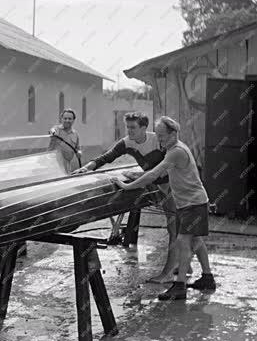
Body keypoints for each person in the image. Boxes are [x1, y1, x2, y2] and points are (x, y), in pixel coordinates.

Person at [112, 116, 215, 300]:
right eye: (158, 136)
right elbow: (158, 173)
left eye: (162, 136)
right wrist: (137, 174)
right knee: (196, 240)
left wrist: (126, 186)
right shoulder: (175, 149)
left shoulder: (176, 151)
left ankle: (179, 286)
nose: (159, 140)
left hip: (193, 203)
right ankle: (207, 278)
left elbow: (153, 175)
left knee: (183, 241)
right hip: (192, 202)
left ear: (173, 134)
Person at [73, 111, 181, 283]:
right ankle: (186, 266)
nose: (129, 131)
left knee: (176, 229)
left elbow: (170, 165)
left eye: (133, 127)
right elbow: (106, 157)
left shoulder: (158, 140)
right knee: (177, 228)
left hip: (175, 185)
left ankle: (173, 271)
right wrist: (87, 168)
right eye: (127, 127)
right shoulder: (127, 142)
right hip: (160, 185)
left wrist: (139, 176)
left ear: (144, 128)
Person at [48, 109, 81, 174]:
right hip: (55, 166)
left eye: (69, 118)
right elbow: (51, 131)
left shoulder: (75, 134)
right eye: (65, 118)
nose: (67, 120)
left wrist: (79, 152)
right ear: (61, 119)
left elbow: (78, 148)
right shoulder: (57, 129)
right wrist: (52, 132)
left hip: (67, 167)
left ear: (73, 120)